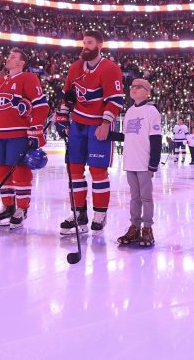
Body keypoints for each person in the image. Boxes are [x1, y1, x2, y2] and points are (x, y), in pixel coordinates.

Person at [54, 30, 124, 235]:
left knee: (97, 171)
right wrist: (62, 117)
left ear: (100, 45)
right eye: (84, 42)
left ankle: (100, 214)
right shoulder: (75, 67)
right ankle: (78, 213)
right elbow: (68, 96)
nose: (85, 46)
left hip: (98, 126)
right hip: (77, 124)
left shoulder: (111, 68)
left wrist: (105, 124)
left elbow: (115, 100)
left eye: (90, 42)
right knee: (74, 171)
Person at [0, 48, 49, 229]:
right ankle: (8, 206)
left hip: (19, 132)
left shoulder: (28, 78)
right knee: (2, 170)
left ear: (21, 63)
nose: (8, 58)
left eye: (13, 57)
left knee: (20, 170)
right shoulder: (0, 81)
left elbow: (41, 106)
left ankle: (22, 208)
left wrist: (35, 129)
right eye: (9, 55)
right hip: (0, 134)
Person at [116, 79, 160, 248]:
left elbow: (156, 138)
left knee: (146, 198)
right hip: (130, 162)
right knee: (134, 198)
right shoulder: (129, 112)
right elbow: (127, 136)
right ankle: (134, 227)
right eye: (132, 86)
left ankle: (147, 229)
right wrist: (109, 134)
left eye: (138, 87)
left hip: (144, 163)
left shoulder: (152, 111)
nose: (133, 89)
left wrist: (153, 164)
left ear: (147, 92)